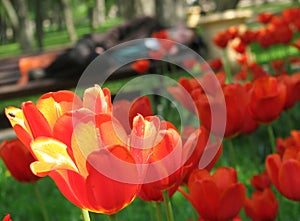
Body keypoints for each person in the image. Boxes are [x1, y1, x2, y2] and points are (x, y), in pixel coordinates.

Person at [29, 16, 207, 80]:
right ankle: (46, 72)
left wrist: (171, 53)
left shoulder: (163, 53)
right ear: (179, 27)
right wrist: (102, 46)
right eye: (183, 35)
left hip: (108, 61)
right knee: (80, 57)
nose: (180, 39)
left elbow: (167, 68)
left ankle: (49, 74)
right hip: (97, 43)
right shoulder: (149, 22)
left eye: (184, 42)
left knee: (88, 65)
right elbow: (118, 30)